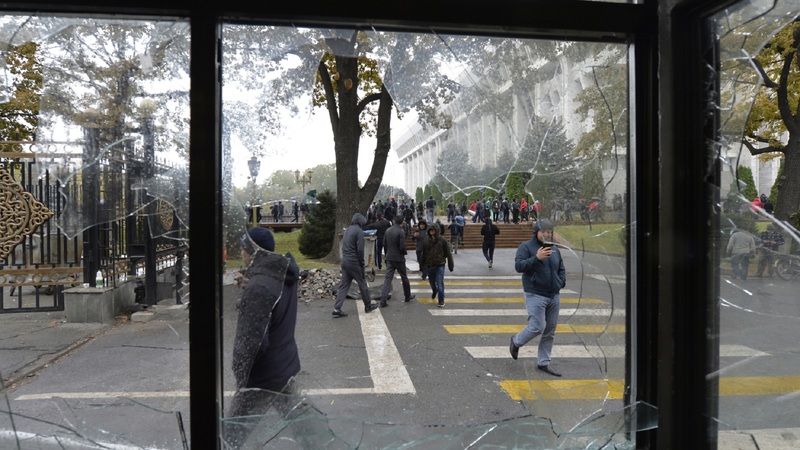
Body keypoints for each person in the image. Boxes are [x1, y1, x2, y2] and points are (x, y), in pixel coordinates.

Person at [226, 227, 301, 448]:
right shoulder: (282, 274)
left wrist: (241, 376)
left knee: (229, 436)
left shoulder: (259, 289)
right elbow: (272, 301)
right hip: (285, 365)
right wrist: (250, 286)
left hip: (262, 377)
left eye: (242, 249)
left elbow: (252, 343)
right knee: (305, 426)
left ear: (252, 253)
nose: (241, 253)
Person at [509, 219, 566, 377]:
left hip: (553, 295)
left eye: (550, 231)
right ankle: (516, 341)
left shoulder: (555, 249)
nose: (547, 234)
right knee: (537, 326)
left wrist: (561, 282)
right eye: (544, 231)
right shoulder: (526, 247)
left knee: (550, 330)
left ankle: (543, 362)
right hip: (535, 293)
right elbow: (519, 266)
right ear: (537, 232)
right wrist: (536, 258)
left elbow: (561, 268)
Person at [332, 213, 379, 317]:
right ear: (361, 222)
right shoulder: (359, 232)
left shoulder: (348, 230)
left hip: (345, 261)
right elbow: (360, 249)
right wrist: (362, 262)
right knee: (362, 283)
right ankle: (368, 305)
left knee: (344, 285)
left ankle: (337, 308)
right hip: (354, 262)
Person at [379, 215, 416, 306]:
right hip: (399, 258)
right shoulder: (401, 231)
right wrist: (404, 253)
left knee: (388, 279)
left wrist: (387, 255)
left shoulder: (388, 231)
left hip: (390, 257)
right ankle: (407, 296)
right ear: (402, 222)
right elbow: (402, 246)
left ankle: (383, 299)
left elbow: (385, 244)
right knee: (404, 277)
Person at [422, 222, 454, 307]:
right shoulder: (426, 241)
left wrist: (451, 265)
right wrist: (422, 266)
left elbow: (448, 253)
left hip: (440, 264)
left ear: (437, 230)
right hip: (430, 265)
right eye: (430, 230)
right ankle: (434, 290)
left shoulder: (442, 240)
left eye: (433, 230)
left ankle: (441, 300)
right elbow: (424, 254)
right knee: (432, 282)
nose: (432, 231)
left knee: (439, 282)